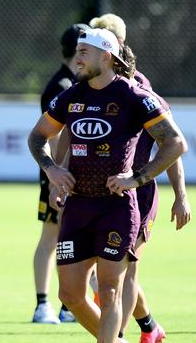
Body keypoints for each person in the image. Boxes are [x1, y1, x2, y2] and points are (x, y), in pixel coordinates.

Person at [28, 28, 187, 343]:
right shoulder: (72, 96)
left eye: (84, 52)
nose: (78, 58)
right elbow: (37, 137)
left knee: (110, 288)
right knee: (70, 295)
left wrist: (137, 178)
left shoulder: (134, 96)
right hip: (77, 207)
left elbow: (175, 144)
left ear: (107, 56)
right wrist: (52, 170)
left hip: (116, 208)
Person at [87, 13, 191, 343]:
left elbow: (171, 145)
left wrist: (181, 195)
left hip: (137, 194)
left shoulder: (140, 91)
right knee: (100, 273)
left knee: (125, 272)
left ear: (112, 48)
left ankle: (117, 334)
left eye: (94, 43)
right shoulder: (90, 89)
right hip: (97, 194)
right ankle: (148, 327)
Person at [31, 23, 88, 325]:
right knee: (52, 238)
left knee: (68, 238)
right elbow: (54, 138)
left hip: (67, 175)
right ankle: (44, 305)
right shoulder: (62, 87)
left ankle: (68, 306)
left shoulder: (73, 82)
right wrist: (59, 175)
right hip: (60, 176)